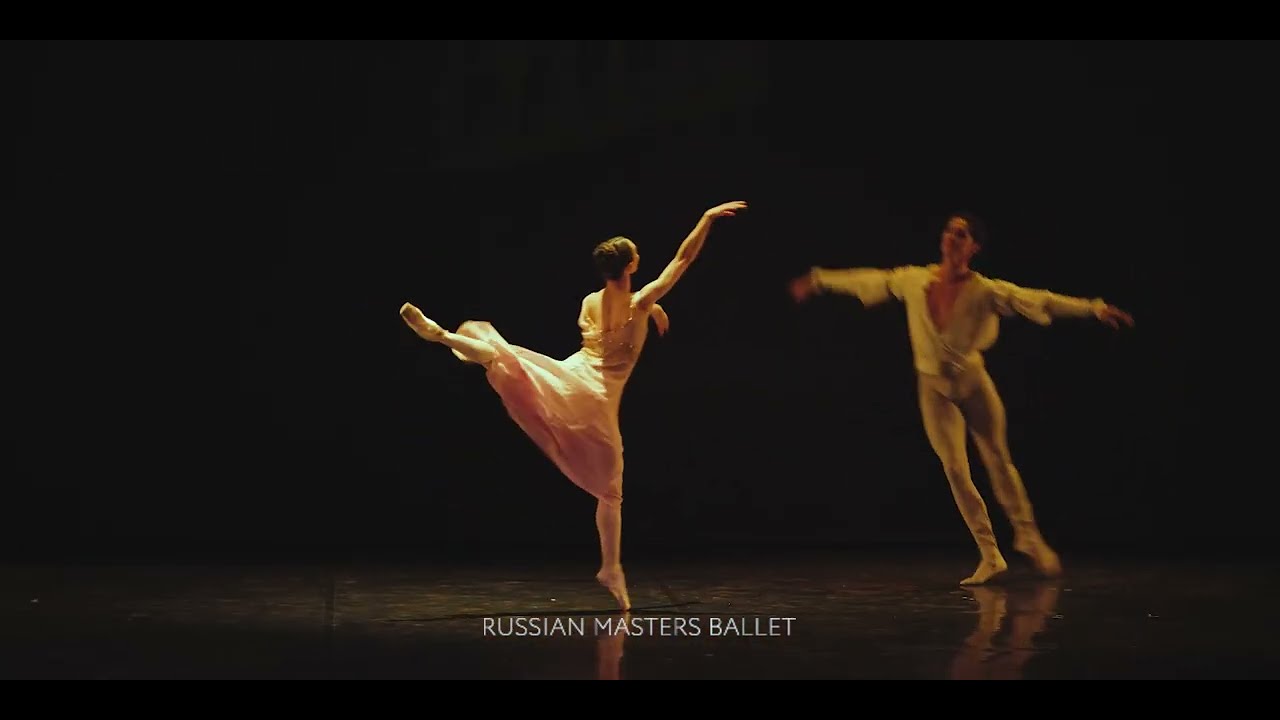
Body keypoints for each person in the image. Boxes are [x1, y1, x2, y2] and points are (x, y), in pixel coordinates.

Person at [400, 200, 749, 610]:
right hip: (596, 395)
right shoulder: (640, 301)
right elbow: (683, 258)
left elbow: (611, 323)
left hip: (569, 375)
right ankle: (611, 567)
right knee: (611, 492)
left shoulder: (590, 301)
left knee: (506, 360)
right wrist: (706, 220)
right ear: (632, 264)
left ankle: (442, 336)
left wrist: (651, 306)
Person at [789, 212, 1133, 585]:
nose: (952, 238)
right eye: (949, 232)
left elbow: (1040, 301)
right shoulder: (915, 280)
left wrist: (1093, 308)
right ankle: (990, 555)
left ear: (974, 247)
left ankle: (1028, 537)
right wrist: (820, 279)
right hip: (933, 388)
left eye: (962, 233)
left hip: (972, 382)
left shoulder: (985, 290)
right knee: (955, 468)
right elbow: (870, 279)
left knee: (998, 459)